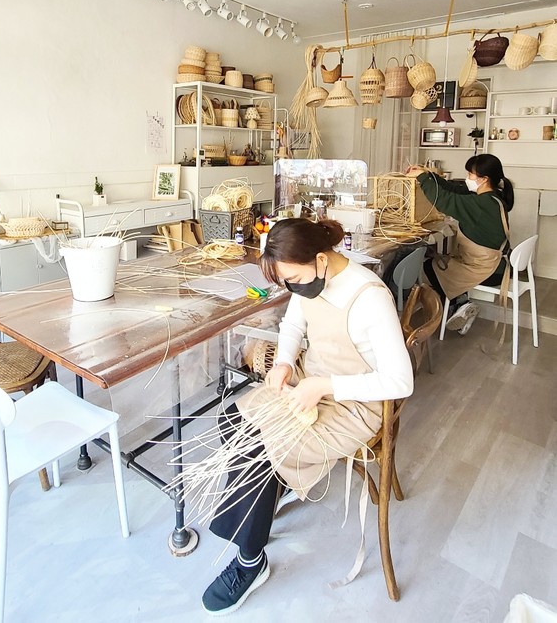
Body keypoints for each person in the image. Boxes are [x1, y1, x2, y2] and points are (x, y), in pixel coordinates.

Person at [201, 217, 413, 615]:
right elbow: (293, 324)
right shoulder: (309, 279)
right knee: (233, 418)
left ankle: (250, 561)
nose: (293, 287)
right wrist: (283, 362)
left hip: (354, 403)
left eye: (294, 278)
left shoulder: (369, 297)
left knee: (260, 447)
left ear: (321, 258)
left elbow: (401, 381)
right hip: (311, 380)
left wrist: (326, 386)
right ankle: (270, 491)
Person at [406, 154, 513, 335]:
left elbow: (444, 199)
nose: (467, 178)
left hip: (488, 270)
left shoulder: (480, 204)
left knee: (430, 266)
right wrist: (429, 174)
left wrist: (422, 178)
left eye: (470, 174)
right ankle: (460, 304)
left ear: (484, 179)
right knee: (441, 261)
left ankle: (459, 305)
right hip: (496, 264)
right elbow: (454, 189)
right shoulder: (493, 198)